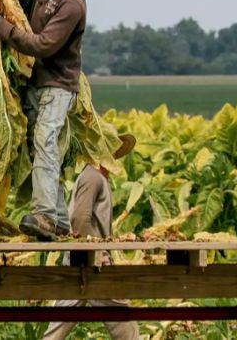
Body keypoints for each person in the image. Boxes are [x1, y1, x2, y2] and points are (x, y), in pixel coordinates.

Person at [0, 0, 92, 240]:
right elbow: (28, 0)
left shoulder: (72, 5)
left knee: (45, 141)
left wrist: (4, 30)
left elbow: (43, 45)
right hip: (36, 83)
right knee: (40, 147)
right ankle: (59, 219)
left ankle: (44, 216)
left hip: (58, 85)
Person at [42, 134, 139, 340]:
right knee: (122, 317)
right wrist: (94, 252)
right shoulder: (92, 177)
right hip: (92, 263)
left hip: (83, 260)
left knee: (61, 321)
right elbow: (79, 218)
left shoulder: (97, 177)